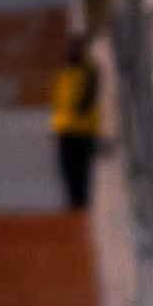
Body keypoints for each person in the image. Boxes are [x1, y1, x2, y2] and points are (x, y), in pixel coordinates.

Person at [51, 34, 100, 212]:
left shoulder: (89, 74)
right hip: (66, 130)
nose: (75, 52)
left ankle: (80, 211)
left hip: (82, 131)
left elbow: (84, 102)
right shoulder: (65, 74)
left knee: (81, 177)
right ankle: (74, 210)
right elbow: (59, 102)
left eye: (79, 49)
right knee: (69, 177)